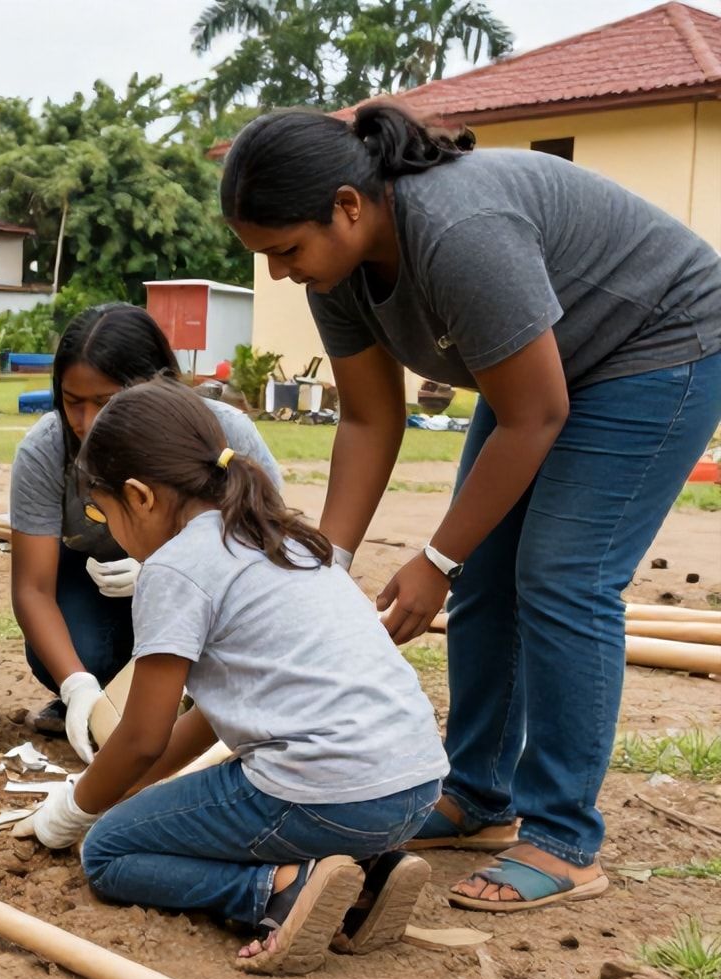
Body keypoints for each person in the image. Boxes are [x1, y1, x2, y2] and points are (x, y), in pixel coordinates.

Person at [221, 104, 721, 913]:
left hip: (656, 344)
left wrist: (436, 561)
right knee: (488, 572)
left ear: (349, 206)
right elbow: (368, 417)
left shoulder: (459, 229)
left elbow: (536, 415)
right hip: (547, 370)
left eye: (285, 250)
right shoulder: (336, 268)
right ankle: (478, 797)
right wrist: (323, 566)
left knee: (562, 576)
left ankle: (563, 838)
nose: (278, 272)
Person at [14, 378, 447, 976]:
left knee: (109, 850)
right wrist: (140, 790)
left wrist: (75, 808)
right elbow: (210, 713)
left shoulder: (175, 567)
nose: (106, 526)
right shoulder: (281, 535)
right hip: (413, 790)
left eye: (102, 510)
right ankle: (370, 877)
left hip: (324, 794)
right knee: (143, 815)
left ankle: (282, 890)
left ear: (138, 497)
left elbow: (141, 736)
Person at [10, 304, 281, 761]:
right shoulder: (46, 450)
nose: (89, 422)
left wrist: (168, 570)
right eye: (74, 402)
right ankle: (100, 701)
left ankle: (182, 708)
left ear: (159, 385)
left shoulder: (225, 432)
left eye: (108, 401)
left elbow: (270, 549)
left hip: (208, 583)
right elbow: (32, 588)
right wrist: (77, 685)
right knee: (82, 658)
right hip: (91, 581)